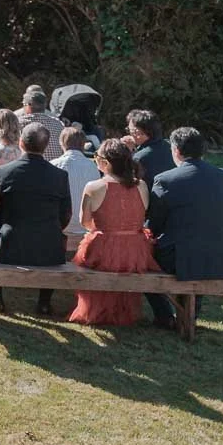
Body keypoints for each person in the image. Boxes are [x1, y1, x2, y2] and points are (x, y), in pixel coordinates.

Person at [145, 127, 223, 329]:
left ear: (176, 151)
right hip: (220, 252)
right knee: (193, 250)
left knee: (139, 260)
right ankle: (189, 315)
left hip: (181, 255)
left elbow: (154, 224)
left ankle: (164, 314)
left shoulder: (165, 180)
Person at [68, 139, 158, 327]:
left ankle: (96, 310)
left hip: (106, 246)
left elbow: (85, 222)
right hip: (135, 249)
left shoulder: (94, 187)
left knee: (90, 259)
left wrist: (105, 228)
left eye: (96, 157)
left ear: (106, 163)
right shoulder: (141, 185)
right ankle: (121, 311)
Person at [0, 123, 73, 315]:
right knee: (54, 237)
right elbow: (66, 213)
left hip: (11, 243)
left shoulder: (5, 172)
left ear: (21, 143)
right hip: (49, 246)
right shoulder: (59, 175)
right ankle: (44, 302)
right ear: (46, 146)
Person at [51, 126, 98, 241]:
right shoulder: (92, 166)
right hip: (86, 227)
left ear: (62, 143)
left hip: (61, 227)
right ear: (83, 144)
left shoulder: (53, 165)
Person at [126, 109, 176, 188]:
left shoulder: (139, 158)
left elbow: (131, 184)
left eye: (130, 130)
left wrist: (126, 153)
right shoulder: (171, 146)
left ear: (138, 132)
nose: (130, 134)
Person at [16, 88, 66, 158]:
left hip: (29, 166)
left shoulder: (17, 123)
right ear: (45, 105)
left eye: (24, 104)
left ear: (28, 105)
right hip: (55, 167)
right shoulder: (58, 123)